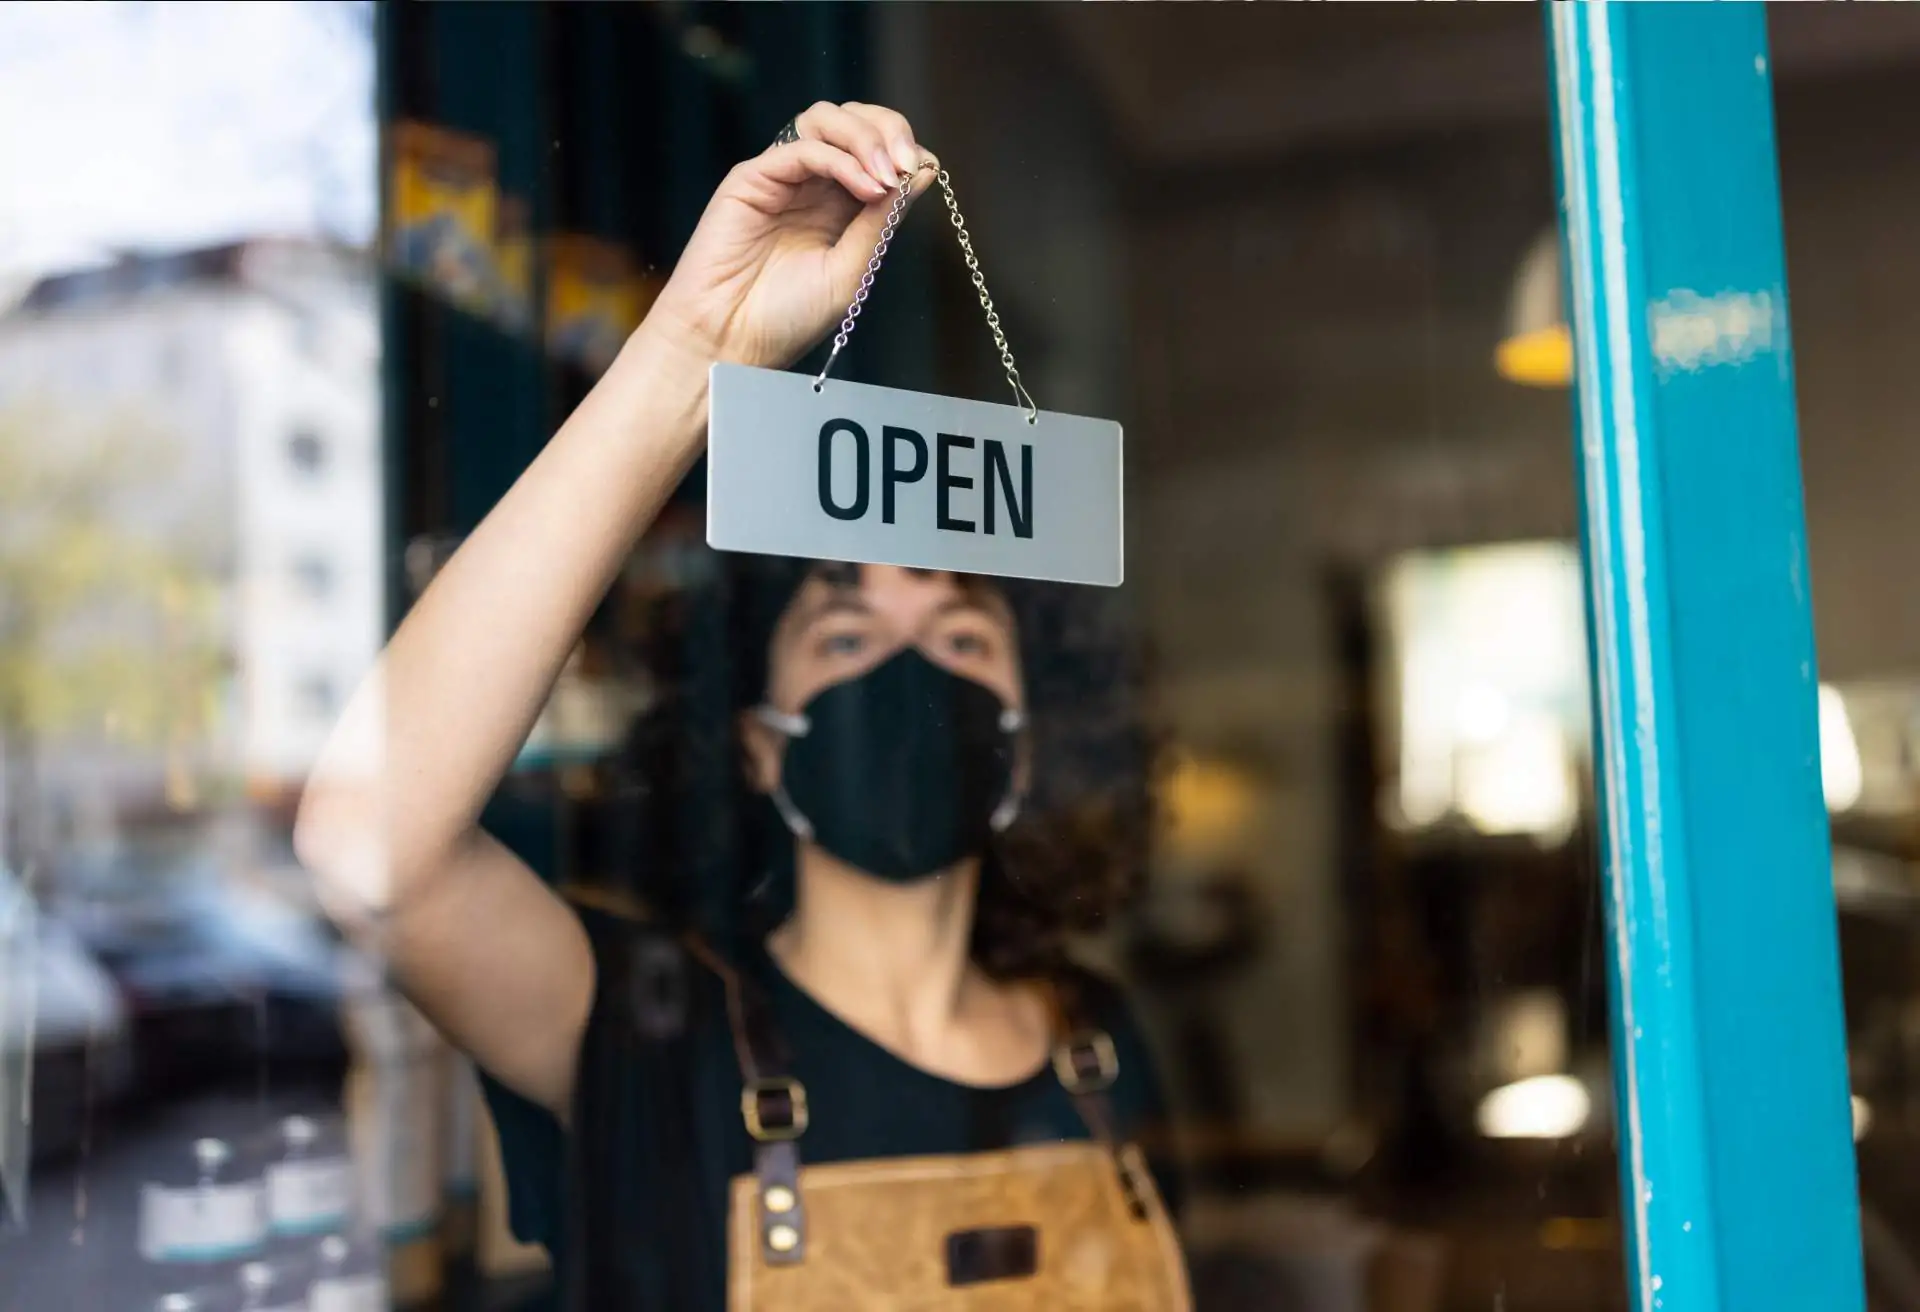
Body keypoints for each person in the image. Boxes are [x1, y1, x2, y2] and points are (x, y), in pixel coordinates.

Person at [296, 101, 1185, 1309]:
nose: (909, 669)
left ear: (1036, 735)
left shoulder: (1102, 1043)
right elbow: (369, 850)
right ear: (755, 744)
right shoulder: (644, 1033)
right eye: (846, 633)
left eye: (962, 634)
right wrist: (691, 353)